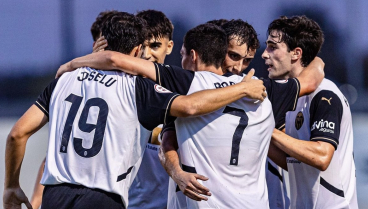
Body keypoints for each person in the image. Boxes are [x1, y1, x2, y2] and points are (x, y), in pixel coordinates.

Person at [3, 13, 266, 209]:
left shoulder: (63, 80)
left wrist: (12, 186)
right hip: (103, 198)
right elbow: (190, 106)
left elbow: (17, 134)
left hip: (56, 196)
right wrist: (242, 90)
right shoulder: (138, 89)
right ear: (136, 50)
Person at [55, 21, 324, 208]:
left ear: (192, 56)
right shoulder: (262, 89)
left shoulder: (183, 83)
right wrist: (317, 57)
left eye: (182, 54)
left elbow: (116, 61)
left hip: (201, 202)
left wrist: (71, 64)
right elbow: (313, 78)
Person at [28, 10, 122, 209]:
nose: (105, 54)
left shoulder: (134, 89)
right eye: (101, 47)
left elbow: (17, 134)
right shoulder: (71, 83)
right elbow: (52, 158)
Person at [265, 16, 358, 209]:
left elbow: (322, 156)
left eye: (273, 47)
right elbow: (292, 162)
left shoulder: (325, 94)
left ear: (296, 53)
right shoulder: (293, 97)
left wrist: (267, 131)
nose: (265, 54)